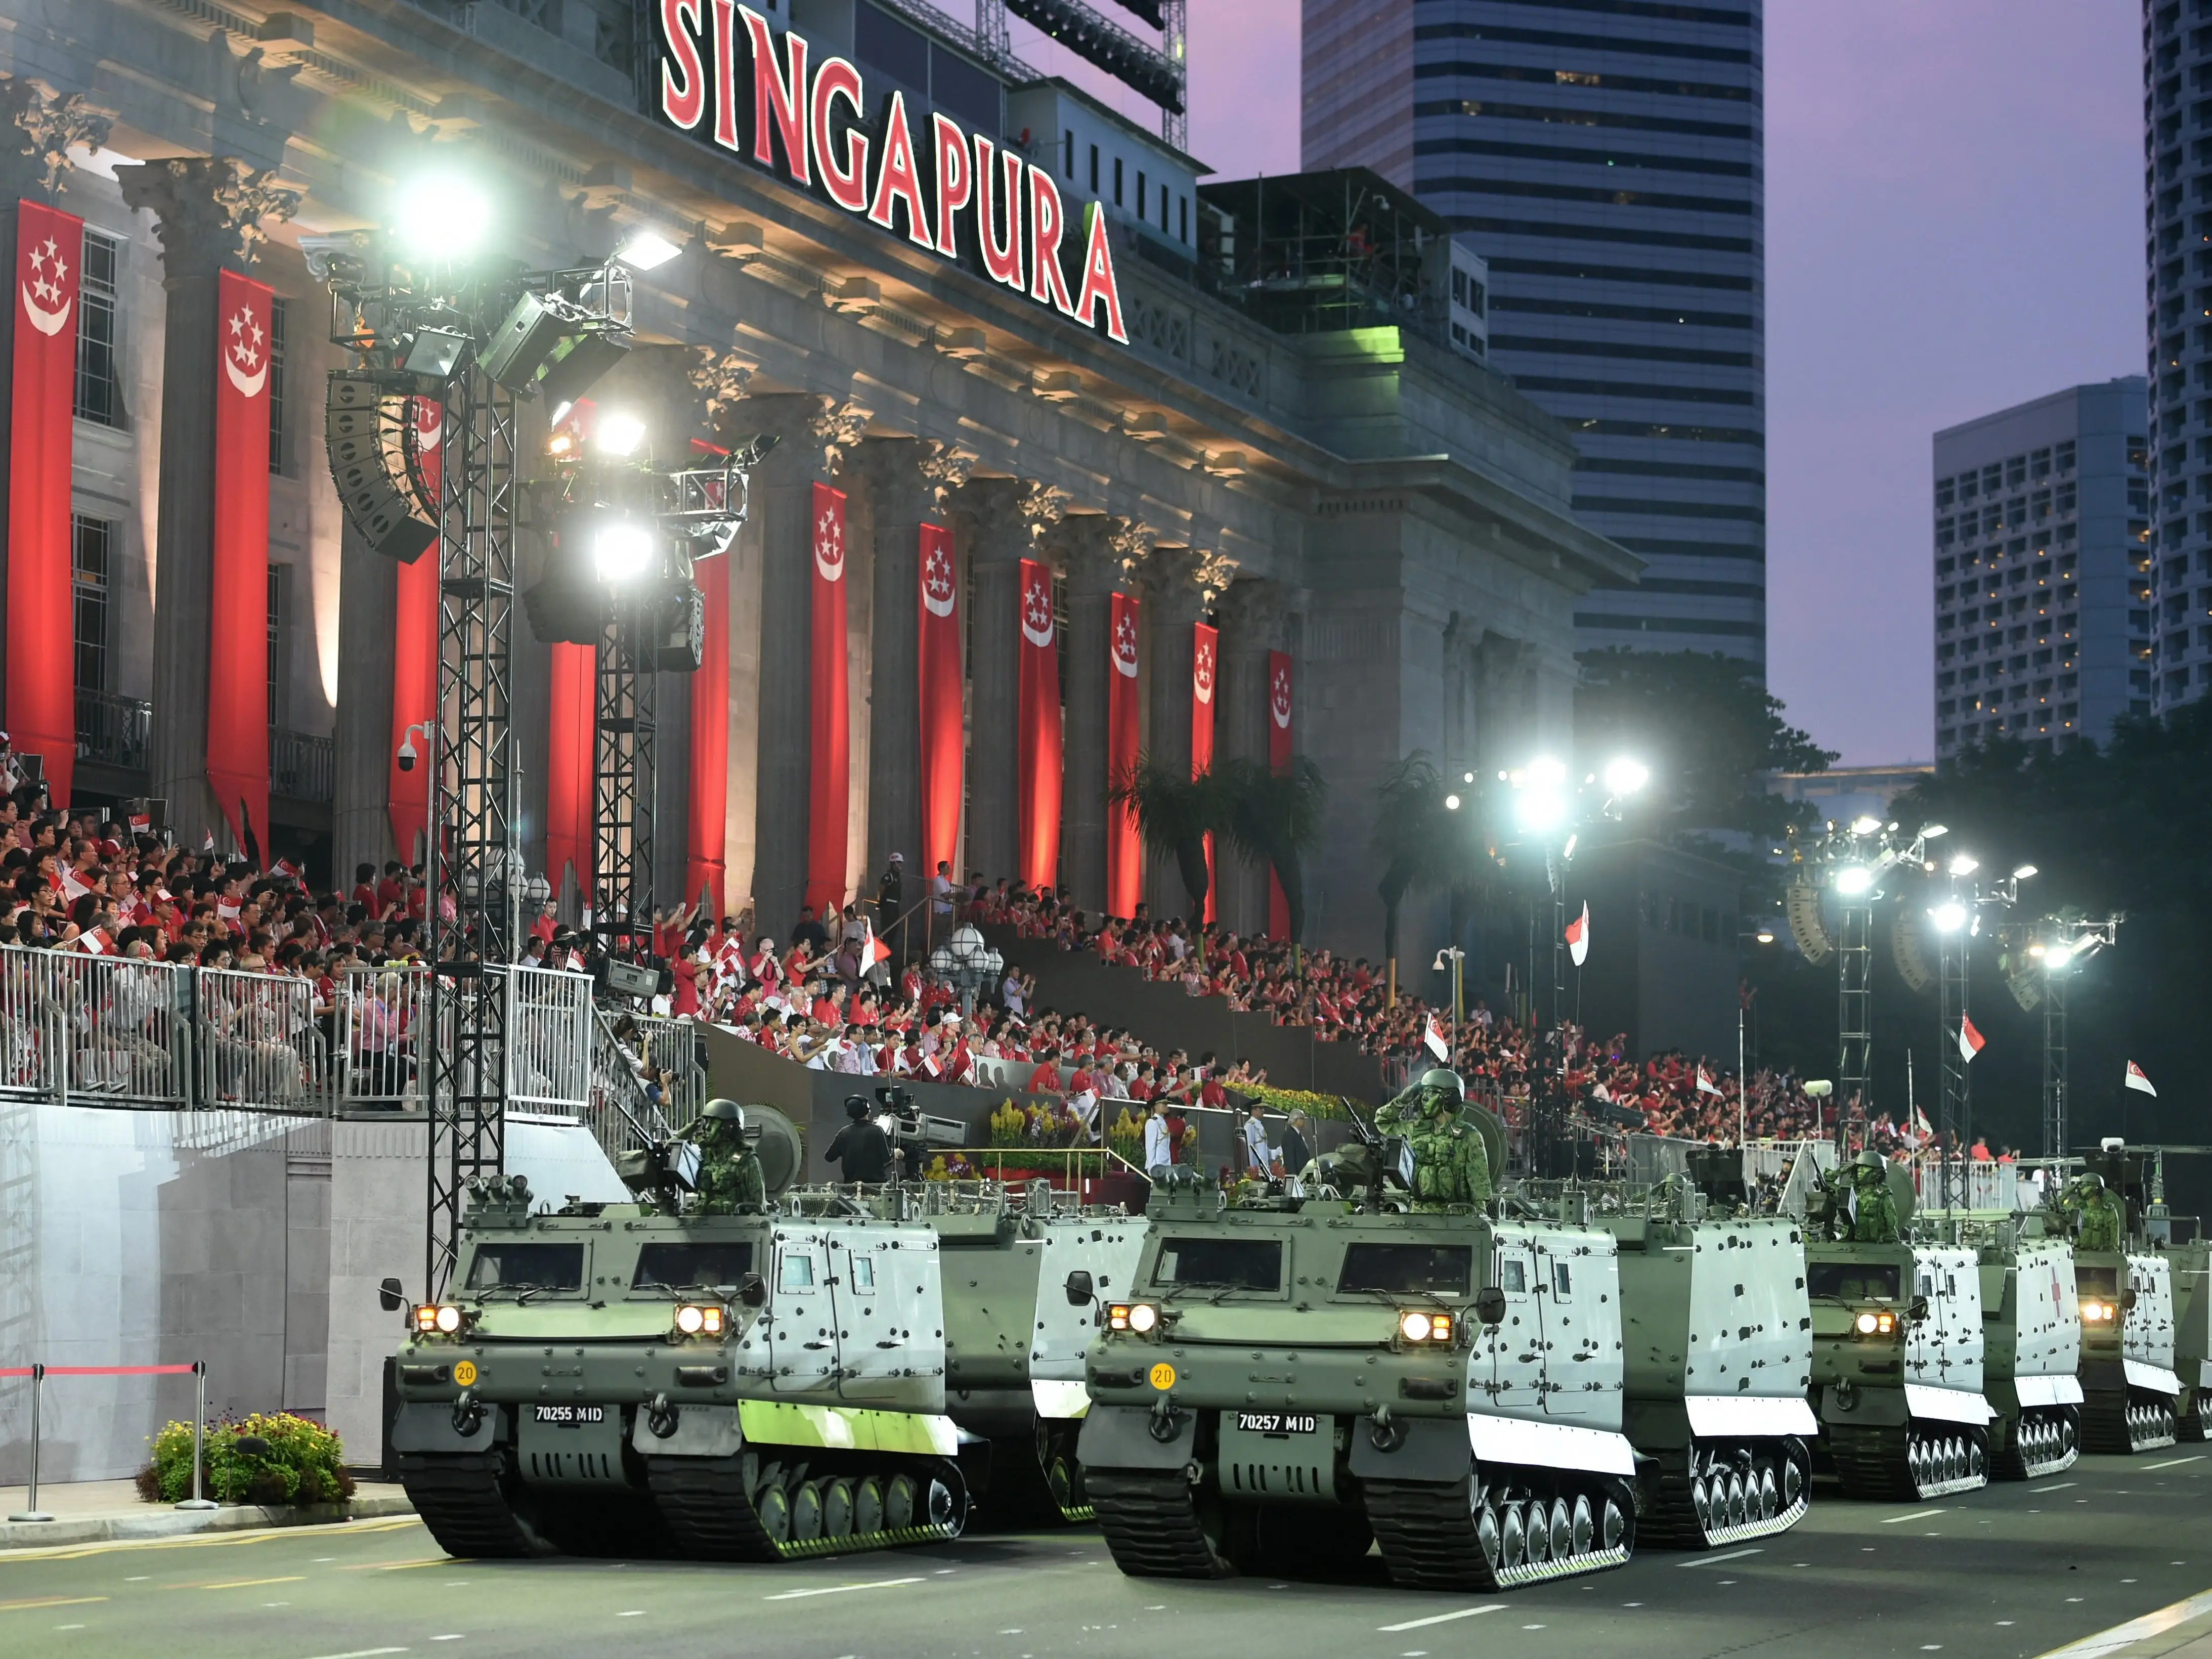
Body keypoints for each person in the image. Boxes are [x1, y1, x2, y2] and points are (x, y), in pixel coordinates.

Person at [1375, 1068, 1491, 1208]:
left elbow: (1479, 1191)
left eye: (1431, 1092)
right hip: (1417, 1214)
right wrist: (1403, 1100)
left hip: (1454, 1218)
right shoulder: (1415, 1130)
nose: (1424, 1098)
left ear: (1449, 1098)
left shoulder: (1468, 1136)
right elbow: (1382, 1122)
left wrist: (1477, 1218)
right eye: (1424, 1092)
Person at [686, 1098, 766, 1213]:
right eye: (706, 1122)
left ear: (729, 1128)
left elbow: (759, 1208)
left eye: (713, 1123)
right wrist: (686, 1132)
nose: (706, 1128)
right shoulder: (703, 1156)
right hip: (703, 1227)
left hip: (735, 1227)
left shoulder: (747, 1160)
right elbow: (668, 1159)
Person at [826, 1094, 893, 1184]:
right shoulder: (877, 1131)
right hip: (875, 1188)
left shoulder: (844, 1133)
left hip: (850, 1189)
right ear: (868, 1110)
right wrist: (896, 1154)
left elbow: (829, 1157)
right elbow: (887, 1158)